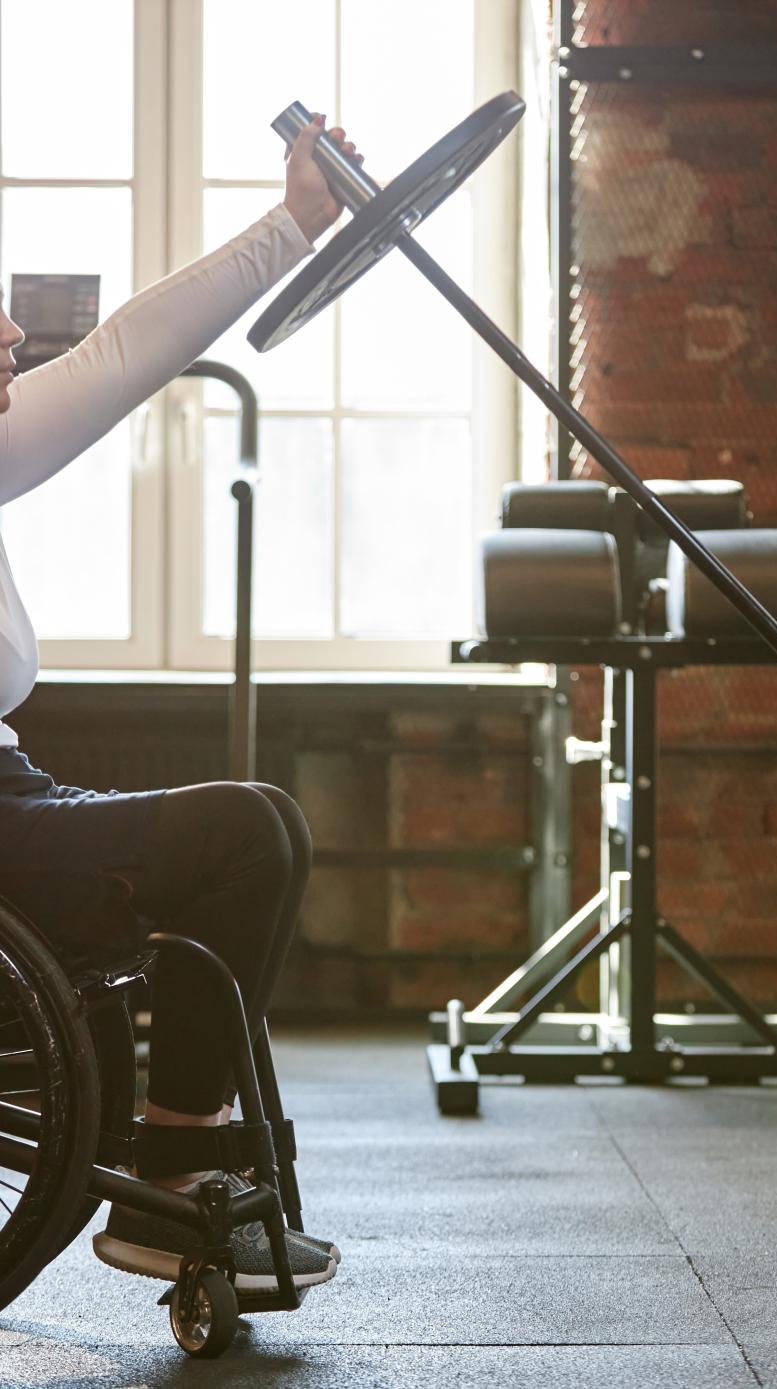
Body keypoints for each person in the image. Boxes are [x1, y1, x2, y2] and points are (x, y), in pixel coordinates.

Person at [0, 116, 360, 1295]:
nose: (11, 335)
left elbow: (122, 349)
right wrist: (292, 225)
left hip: (14, 787)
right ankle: (178, 1164)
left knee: (265, 819)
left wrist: (297, 222)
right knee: (242, 833)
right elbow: (117, 358)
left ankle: (186, 1154)